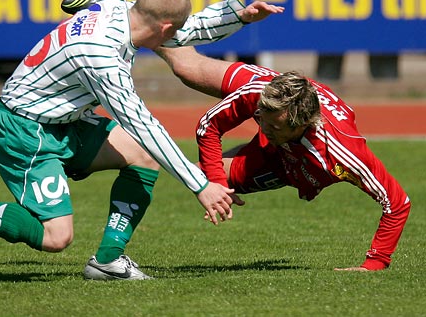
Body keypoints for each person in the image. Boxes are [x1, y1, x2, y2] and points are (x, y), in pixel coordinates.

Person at [0, 0, 284, 280]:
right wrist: (200, 185)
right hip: (24, 130)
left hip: (66, 121)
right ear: (163, 27)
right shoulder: (102, 56)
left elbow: (179, 27)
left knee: (143, 156)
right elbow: (143, 122)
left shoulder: (119, 9)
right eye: (173, 31)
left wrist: (239, 14)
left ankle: (108, 261)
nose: (175, 40)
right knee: (56, 238)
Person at [155, 46, 411, 271]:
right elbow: (208, 126)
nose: (264, 129)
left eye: (275, 127)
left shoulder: (344, 155)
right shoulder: (260, 92)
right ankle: (145, 26)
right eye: (261, 120)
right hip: (269, 99)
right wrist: (217, 182)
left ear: (303, 124)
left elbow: (397, 203)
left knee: (194, 174)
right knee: (185, 67)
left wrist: (374, 263)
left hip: (283, 165)